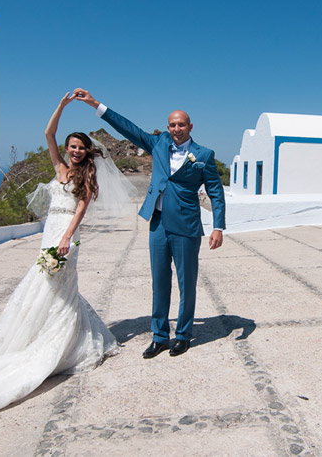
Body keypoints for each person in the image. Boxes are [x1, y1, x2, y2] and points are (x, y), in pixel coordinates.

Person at [0, 92, 134, 417]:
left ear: (86, 152)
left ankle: (61, 343)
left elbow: (81, 209)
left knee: (54, 286)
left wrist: (67, 238)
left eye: (80, 147)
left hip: (65, 237)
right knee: (50, 287)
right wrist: (61, 106)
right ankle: (48, 334)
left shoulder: (87, 175)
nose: (74, 151)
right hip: (49, 234)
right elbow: (48, 134)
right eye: (72, 146)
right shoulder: (58, 167)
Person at [73, 88, 226, 358]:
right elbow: (127, 128)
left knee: (186, 282)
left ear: (190, 127)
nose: (177, 129)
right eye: (172, 125)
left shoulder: (203, 155)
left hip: (187, 226)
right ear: (167, 127)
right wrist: (96, 105)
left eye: (181, 125)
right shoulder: (158, 144)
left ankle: (183, 335)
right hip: (157, 224)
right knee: (159, 281)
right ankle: (159, 336)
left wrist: (218, 226)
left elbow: (215, 191)